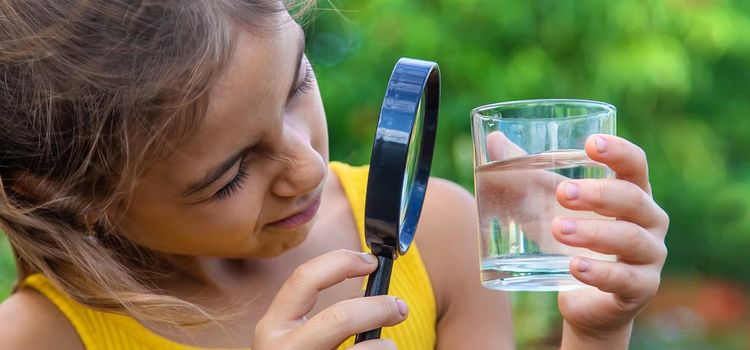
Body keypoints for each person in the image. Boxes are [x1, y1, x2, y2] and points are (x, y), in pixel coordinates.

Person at [0, 1, 670, 349]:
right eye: (228, 175)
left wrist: (598, 332)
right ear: (63, 193)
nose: (307, 166)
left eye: (297, 84)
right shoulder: (40, 339)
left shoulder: (436, 232)